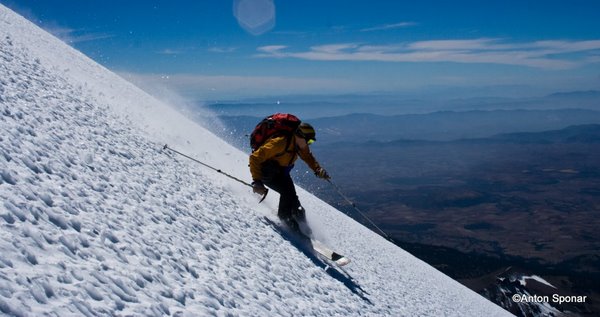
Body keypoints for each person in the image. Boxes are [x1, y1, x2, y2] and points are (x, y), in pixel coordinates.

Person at [249, 122, 330, 233]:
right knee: (287, 193)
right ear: (300, 135)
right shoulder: (279, 143)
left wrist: (317, 169)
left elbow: (307, 156)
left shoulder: (299, 145)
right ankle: (286, 220)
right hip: (266, 173)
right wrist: (257, 181)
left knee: (294, 199)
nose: (309, 144)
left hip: (281, 174)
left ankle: (303, 225)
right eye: (309, 141)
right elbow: (254, 158)